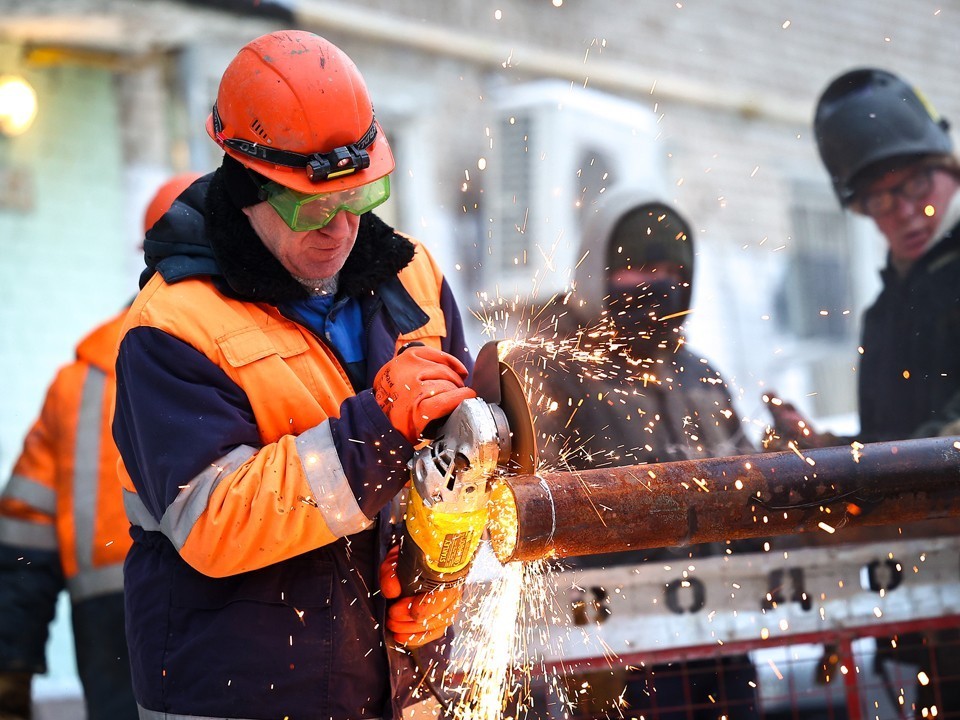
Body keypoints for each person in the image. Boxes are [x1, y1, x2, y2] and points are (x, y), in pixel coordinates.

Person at [111, 30, 475, 720]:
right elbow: (214, 524)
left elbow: (465, 464)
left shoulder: (416, 277)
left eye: (360, 197)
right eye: (312, 207)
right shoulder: (172, 327)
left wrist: (439, 571)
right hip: (247, 698)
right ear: (247, 182)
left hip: (404, 691)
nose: (340, 229)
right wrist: (374, 433)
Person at [508, 187, 760, 719]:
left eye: (671, 269)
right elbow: (530, 504)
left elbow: (746, 489)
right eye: (639, 267)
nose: (657, 285)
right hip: (606, 644)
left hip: (717, 635)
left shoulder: (702, 374)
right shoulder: (548, 367)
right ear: (597, 267)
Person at [767, 67, 960, 719]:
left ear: (950, 165)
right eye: (881, 199)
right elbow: (895, 448)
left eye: (914, 186)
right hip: (924, 622)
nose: (904, 210)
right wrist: (826, 452)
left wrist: (859, 488)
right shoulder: (886, 313)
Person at [0, 172, 201, 720]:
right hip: (225, 603)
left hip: (109, 625)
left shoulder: (80, 381)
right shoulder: (258, 354)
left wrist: (10, 665)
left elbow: (23, 542)